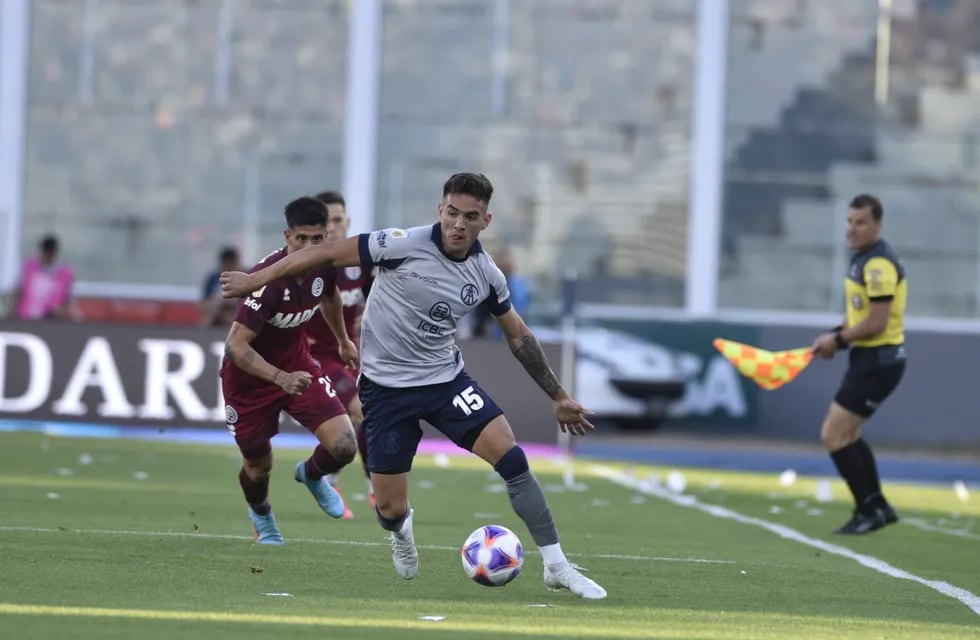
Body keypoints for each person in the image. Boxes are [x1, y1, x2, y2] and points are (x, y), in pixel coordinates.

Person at [221, 173, 607, 599]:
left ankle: (556, 565)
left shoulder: (486, 275)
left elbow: (518, 335)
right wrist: (256, 281)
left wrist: (558, 396)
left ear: (485, 221)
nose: (459, 223)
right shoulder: (399, 244)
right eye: (453, 212)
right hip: (385, 391)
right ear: (440, 210)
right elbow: (327, 253)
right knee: (388, 509)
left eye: (471, 216)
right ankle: (400, 530)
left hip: (445, 381)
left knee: (512, 460)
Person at [220, 196, 360, 544]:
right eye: (301, 239)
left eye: (317, 239)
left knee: (344, 445)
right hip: (249, 384)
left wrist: (343, 340)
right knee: (259, 465)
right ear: (287, 236)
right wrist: (280, 378)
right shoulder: (266, 282)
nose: (309, 248)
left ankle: (312, 475)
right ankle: (262, 514)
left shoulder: (326, 265)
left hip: (298, 366)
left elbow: (330, 298)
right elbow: (235, 346)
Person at [810, 194, 907, 535]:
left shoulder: (877, 265)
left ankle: (867, 510)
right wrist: (836, 335)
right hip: (872, 359)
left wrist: (837, 341)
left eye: (861, 222)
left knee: (833, 434)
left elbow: (877, 322)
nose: (852, 229)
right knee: (849, 434)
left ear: (878, 224)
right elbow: (860, 315)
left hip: (877, 360)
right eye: (849, 222)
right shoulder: (864, 258)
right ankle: (878, 505)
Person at [306, 189, 374, 517]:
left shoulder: (361, 262)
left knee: (374, 412)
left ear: (347, 221)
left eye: (338, 219)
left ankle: (365, 485)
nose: (333, 227)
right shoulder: (308, 262)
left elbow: (376, 297)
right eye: (327, 221)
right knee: (359, 409)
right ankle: (328, 478)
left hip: (351, 355)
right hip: (315, 357)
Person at [9, 234, 75, 320]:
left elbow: (67, 301)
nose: (47, 256)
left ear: (55, 253)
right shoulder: (29, 266)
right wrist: (13, 311)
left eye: (50, 253)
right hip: (25, 316)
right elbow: (18, 290)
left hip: (50, 321)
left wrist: (59, 312)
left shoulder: (65, 273)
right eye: (45, 253)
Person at [472, 247, 530, 339]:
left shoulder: (519, 285)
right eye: (504, 263)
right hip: (491, 338)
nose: (508, 266)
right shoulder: (487, 286)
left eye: (509, 263)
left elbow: (524, 311)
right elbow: (481, 319)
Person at [201, 246, 243, 328]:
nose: (228, 268)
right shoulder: (213, 279)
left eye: (231, 264)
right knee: (208, 317)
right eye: (226, 264)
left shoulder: (246, 277)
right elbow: (203, 305)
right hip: (217, 313)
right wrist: (219, 301)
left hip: (237, 312)